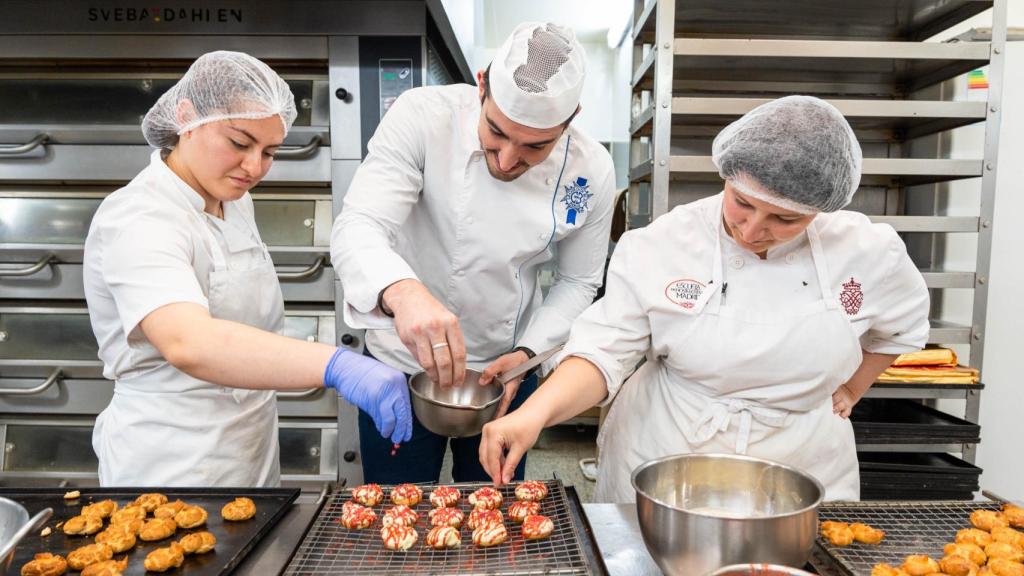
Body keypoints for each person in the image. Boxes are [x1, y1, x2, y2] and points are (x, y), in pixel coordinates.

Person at [479, 96, 931, 501]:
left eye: (785, 219)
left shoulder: (869, 253)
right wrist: (532, 415)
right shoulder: (666, 243)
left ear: (820, 210)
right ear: (726, 177)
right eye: (742, 203)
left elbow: (901, 329)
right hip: (668, 452)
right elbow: (603, 352)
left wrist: (853, 387)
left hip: (800, 464)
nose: (752, 231)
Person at [83, 51, 412, 487]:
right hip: (170, 461)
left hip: (249, 452)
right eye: (239, 143)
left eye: (270, 151)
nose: (254, 167)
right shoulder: (139, 216)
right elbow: (188, 342)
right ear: (186, 117)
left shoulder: (234, 202)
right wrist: (336, 365)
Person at [332, 22, 616, 483]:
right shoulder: (423, 116)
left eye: (535, 146)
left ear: (571, 119)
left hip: (505, 376)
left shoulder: (592, 171)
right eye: (497, 132)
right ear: (481, 86)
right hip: (401, 369)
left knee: (493, 514)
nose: (506, 160)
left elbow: (579, 281)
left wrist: (528, 353)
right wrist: (402, 293)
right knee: (395, 508)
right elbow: (360, 224)